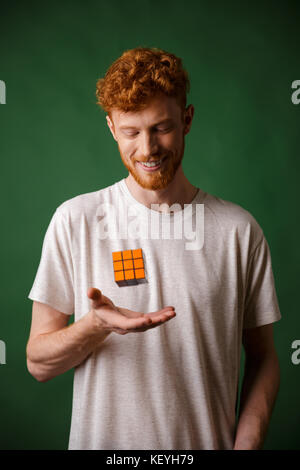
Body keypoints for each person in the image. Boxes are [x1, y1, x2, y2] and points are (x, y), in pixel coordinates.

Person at [26, 46, 281, 450]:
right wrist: (97, 326)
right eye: (131, 132)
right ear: (111, 128)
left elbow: (264, 357)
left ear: (187, 119)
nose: (147, 149)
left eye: (161, 128)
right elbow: (38, 363)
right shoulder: (75, 220)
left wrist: (247, 444)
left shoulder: (238, 230)